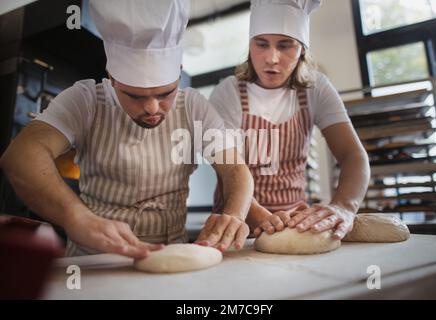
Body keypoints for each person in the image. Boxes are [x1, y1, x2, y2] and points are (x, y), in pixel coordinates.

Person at [0, 0, 253, 257]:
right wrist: (75, 217)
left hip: (171, 258)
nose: (153, 108)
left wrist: (233, 215)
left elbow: (234, 168)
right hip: (93, 261)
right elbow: (21, 156)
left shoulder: (194, 106)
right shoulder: (86, 100)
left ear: (178, 72)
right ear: (111, 78)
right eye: (135, 96)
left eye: (166, 93)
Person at [210, 0, 370, 240]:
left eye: (285, 46)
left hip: (296, 224)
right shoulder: (227, 92)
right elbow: (230, 171)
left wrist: (343, 206)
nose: (272, 58)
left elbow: (353, 156)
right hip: (237, 224)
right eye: (261, 44)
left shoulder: (316, 89)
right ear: (250, 44)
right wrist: (264, 219)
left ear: (302, 49)